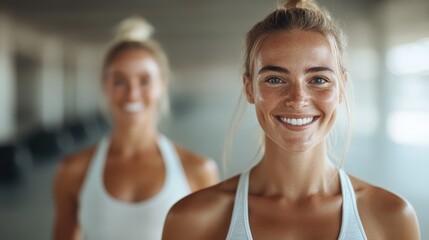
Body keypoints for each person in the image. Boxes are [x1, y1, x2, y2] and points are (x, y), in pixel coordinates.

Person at [162, 0, 421, 239]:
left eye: (318, 79)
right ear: (250, 88)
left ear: (342, 87)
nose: (298, 99)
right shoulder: (193, 220)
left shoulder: (391, 217)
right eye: (275, 79)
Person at [52, 16, 219, 240]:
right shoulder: (73, 171)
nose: (132, 94)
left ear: (162, 85)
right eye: (120, 81)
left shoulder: (198, 170)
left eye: (144, 81)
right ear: (105, 86)